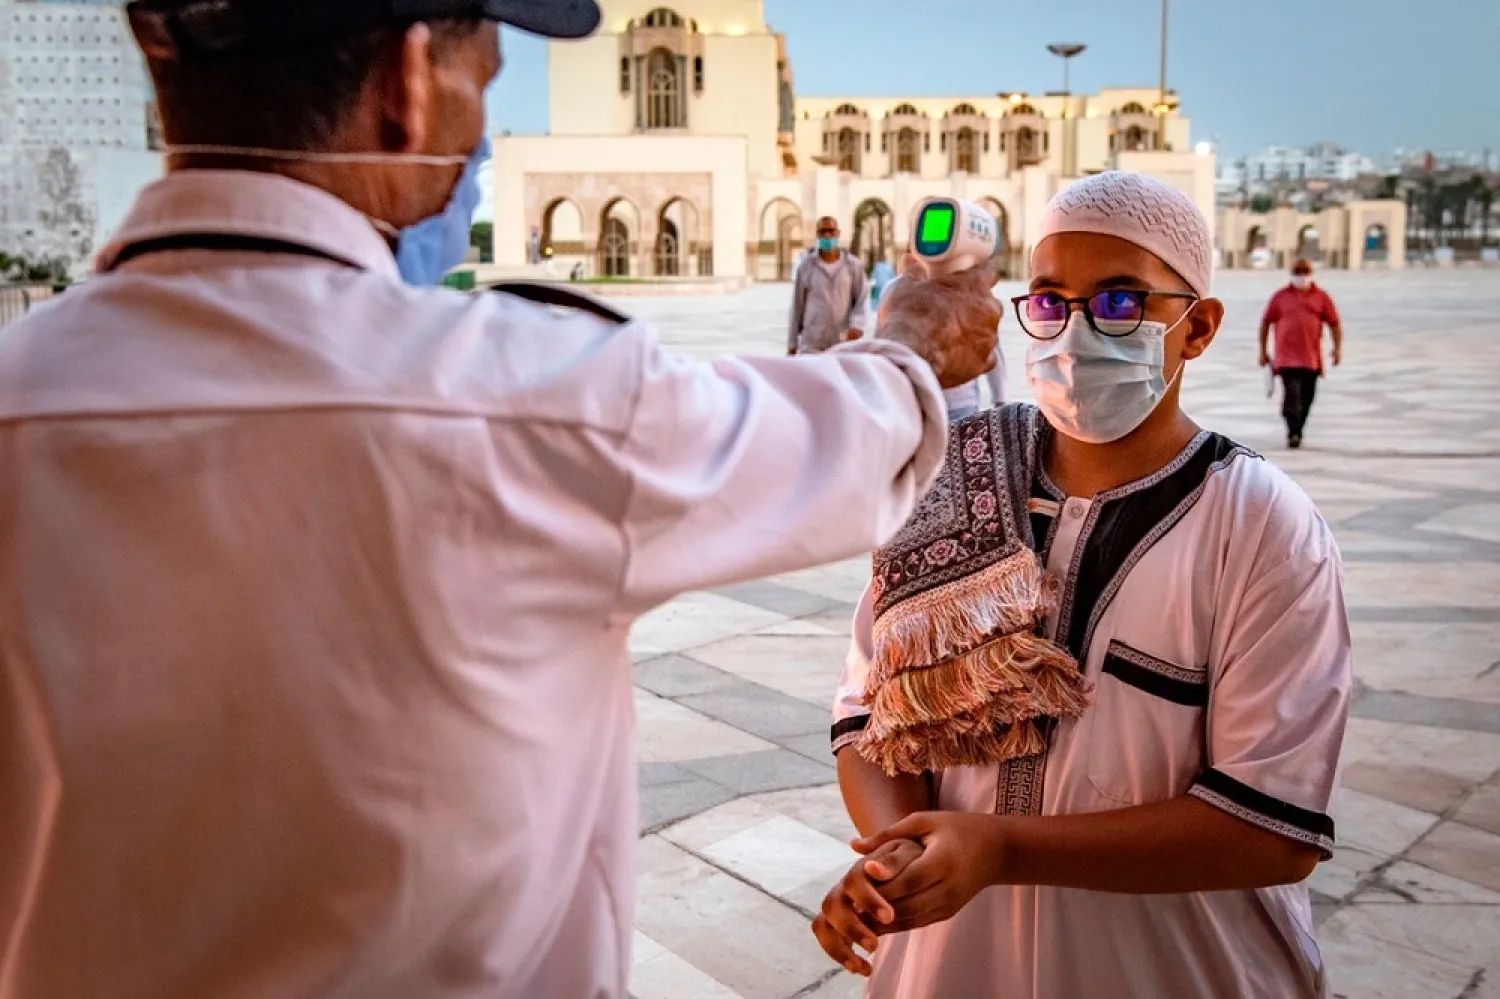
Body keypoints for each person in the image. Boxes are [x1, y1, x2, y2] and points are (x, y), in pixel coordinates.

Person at [0, 2, 1002, 997]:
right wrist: (911, 339)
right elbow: (836, 437)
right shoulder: (538, 398)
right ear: (407, 82)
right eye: (480, 79)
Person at [814, 172, 1351, 998]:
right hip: (950, 969)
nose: (1075, 330)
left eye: (1121, 301)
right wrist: (896, 850)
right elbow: (869, 714)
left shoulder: (1260, 527)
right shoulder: (953, 476)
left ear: (1198, 326)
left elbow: (1272, 828)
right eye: (1052, 300)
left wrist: (1005, 849)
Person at [1259, 258, 1343, 449]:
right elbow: (1265, 322)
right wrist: (1263, 351)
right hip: (1287, 358)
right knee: (1292, 395)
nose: (1301, 276)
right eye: (1298, 272)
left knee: (1307, 397)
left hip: (1311, 359)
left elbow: (1334, 323)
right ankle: (1293, 431)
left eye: (1305, 272)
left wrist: (1337, 348)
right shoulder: (1280, 297)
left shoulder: (1321, 297)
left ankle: (1298, 428)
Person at [788, 215, 871, 356]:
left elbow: (862, 298)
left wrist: (857, 325)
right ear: (818, 235)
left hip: (842, 344)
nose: (827, 235)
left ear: (838, 233)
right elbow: (797, 307)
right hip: (812, 343)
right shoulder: (806, 267)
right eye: (823, 231)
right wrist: (792, 344)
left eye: (831, 231)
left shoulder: (853, 266)